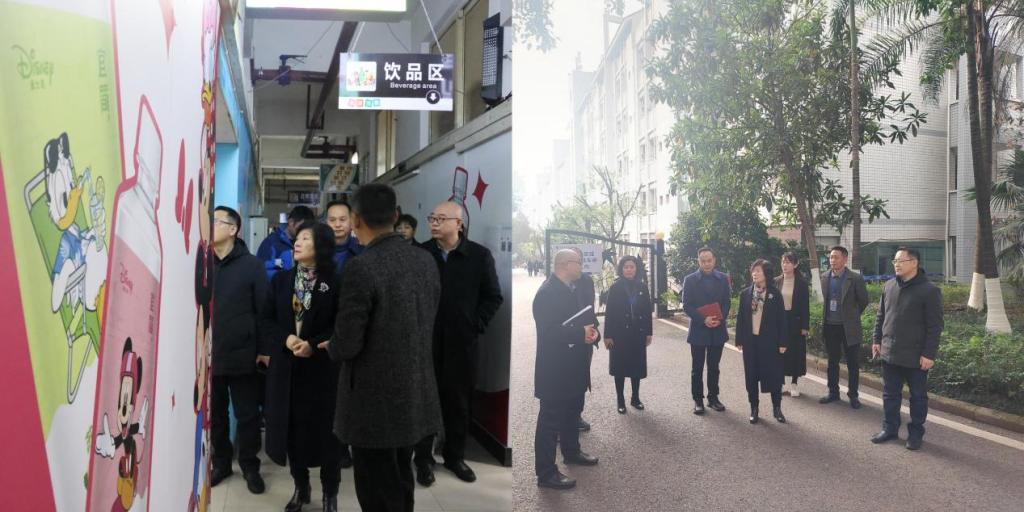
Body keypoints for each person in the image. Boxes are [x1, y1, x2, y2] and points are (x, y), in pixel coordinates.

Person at [328, 183, 442, 512]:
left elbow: (348, 342)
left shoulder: (362, 266)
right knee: (401, 477)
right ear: (395, 216)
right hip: (415, 390)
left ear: (356, 220)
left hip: (373, 400)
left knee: (376, 488)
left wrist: (332, 346)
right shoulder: (425, 261)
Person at [413, 202, 503, 486]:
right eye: (432, 218)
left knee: (458, 403)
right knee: (424, 402)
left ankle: (455, 457)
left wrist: (473, 324)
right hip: (424, 343)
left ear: (459, 224)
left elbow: (493, 296)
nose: (434, 223)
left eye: (441, 219)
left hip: (461, 344)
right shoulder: (421, 254)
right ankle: (423, 460)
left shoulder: (478, 256)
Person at [260, 221, 343, 512]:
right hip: (287, 369)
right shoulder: (281, 281)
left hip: (322, 371)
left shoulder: (335, 282)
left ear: (321, 246)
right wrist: (287, 339)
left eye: (306, 239)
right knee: (292, 431)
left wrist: (313, 343)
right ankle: (301, 487)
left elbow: (341, 325)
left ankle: (330, 493)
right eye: (298, 238)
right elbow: (266, 320)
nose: (297, 242)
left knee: (328, 434)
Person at [208, 206, 268, 494]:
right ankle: (221, 462)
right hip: (209, 355)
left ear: (233, 229)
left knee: (247, 415)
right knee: (216, 414)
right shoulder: (203, 263)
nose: (210, 225)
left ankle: (249, 465)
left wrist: (264, 350)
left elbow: (264, 311)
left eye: (216, 221)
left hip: (243, 353)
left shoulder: (252, 266)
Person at [533, 249, 601, 490]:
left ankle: (572, 452)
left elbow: (586, 317)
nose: (582, 266)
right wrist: (580, 333)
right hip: (555, 368)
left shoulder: (574, 288)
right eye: (579, 262)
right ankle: (546, 473)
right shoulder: (546, 293)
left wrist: (593, 333)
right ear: (565, 264)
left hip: (575, 364)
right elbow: (548, 332)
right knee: (550, 420)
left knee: (572, 411)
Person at [870, 248, 943, 451]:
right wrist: (876, 340)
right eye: (895, 260)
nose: (897, 264)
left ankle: (916, 433)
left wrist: (929, 354)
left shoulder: (929, 290)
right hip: (890, 352)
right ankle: (890, 428)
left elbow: (935, 326)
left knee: (918, 397)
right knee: (890, 394)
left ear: (914, 263)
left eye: (901, 260)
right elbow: (881, 316)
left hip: (915, 355)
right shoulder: (889, 285)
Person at [324, 199, 362, 468]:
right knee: (324, 394)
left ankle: (343, 446)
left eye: (342, 219)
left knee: (348, 394)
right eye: (332, 220)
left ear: (352, 221)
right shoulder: (316, 251)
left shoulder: (362, 253)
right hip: (319, 333)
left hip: (351, 334)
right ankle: (326, 443)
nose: (337, 224)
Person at [735, 259, 788, 424]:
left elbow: (782, 320)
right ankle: (754, 408)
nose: (754, 273)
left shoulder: (775, 294)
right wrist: (739, 339)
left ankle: (777, 408)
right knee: (751, 376)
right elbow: (741, 318)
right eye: (753, 270)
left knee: (774, 376)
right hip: (750, 342)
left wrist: (783, 342)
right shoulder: (746, 294)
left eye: (758, 270)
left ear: (766, 273)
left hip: (770, 343)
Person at [682, 247, 731, 415]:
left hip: (718, 329)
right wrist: (704, 319)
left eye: (709, 260)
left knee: (714, 367)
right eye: (703, 261)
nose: (707, 264)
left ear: (714, 260)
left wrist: (719, 318)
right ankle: (698, 400)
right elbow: (686, 305)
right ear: (699, 261)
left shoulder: (723, 278)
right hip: (698, 330)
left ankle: (713, 398)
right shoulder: (690, 280)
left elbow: (726, 302)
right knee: (697, 368)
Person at [819, 246, 870, 409]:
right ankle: (833, 392)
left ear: (845, 259)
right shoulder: (825, 277)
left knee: (852, 364)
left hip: (849, 327)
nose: (833, 260)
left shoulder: (855, 278)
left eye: (836, 257)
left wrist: (851, 316)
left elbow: (863, 301)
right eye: (831, 257)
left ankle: (853, 395)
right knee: (832, 362)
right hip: (830, 326)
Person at [603, 255, 653, 414]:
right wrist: (607, 335)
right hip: (619, 334)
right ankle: (620, 400)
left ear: (636, 269)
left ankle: (635, 398)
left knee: (636, 367)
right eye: (626, 267)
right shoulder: (615, 287)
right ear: (621, 269)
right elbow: (609, 313)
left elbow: (647, 311)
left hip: (637, 333)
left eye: (632, 267)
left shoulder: (642, 287)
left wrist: (648, 332)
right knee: (620, 368)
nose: (629, 270)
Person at [571, 247, 600, 431]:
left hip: (586, 337)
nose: (578, 264)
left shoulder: (587, 280)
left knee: (582, 376)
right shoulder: (557, 284)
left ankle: (577, 415)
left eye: (580, 260)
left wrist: (594, 330)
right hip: (567, 339)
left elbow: (590, 308)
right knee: (566, 380)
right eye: (574, 261)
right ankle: (562, 421)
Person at [775, 252, 809, 397]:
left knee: (795, 353)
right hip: (779, 321)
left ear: (795, 264)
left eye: (788, 262)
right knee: (779, 353)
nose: (785, 265)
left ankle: (794, 384)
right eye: (783, 262)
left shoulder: (801, 283)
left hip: (795, 321)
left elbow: (805, 306)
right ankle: (780, 383)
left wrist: (805, 326)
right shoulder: (776, 281)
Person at [257, 205, 316, 280]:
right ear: (291, 222)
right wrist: (285, 278)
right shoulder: (271, 243)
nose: (302, 232)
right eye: (300, 228)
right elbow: (261, 270)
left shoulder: (307, 244)